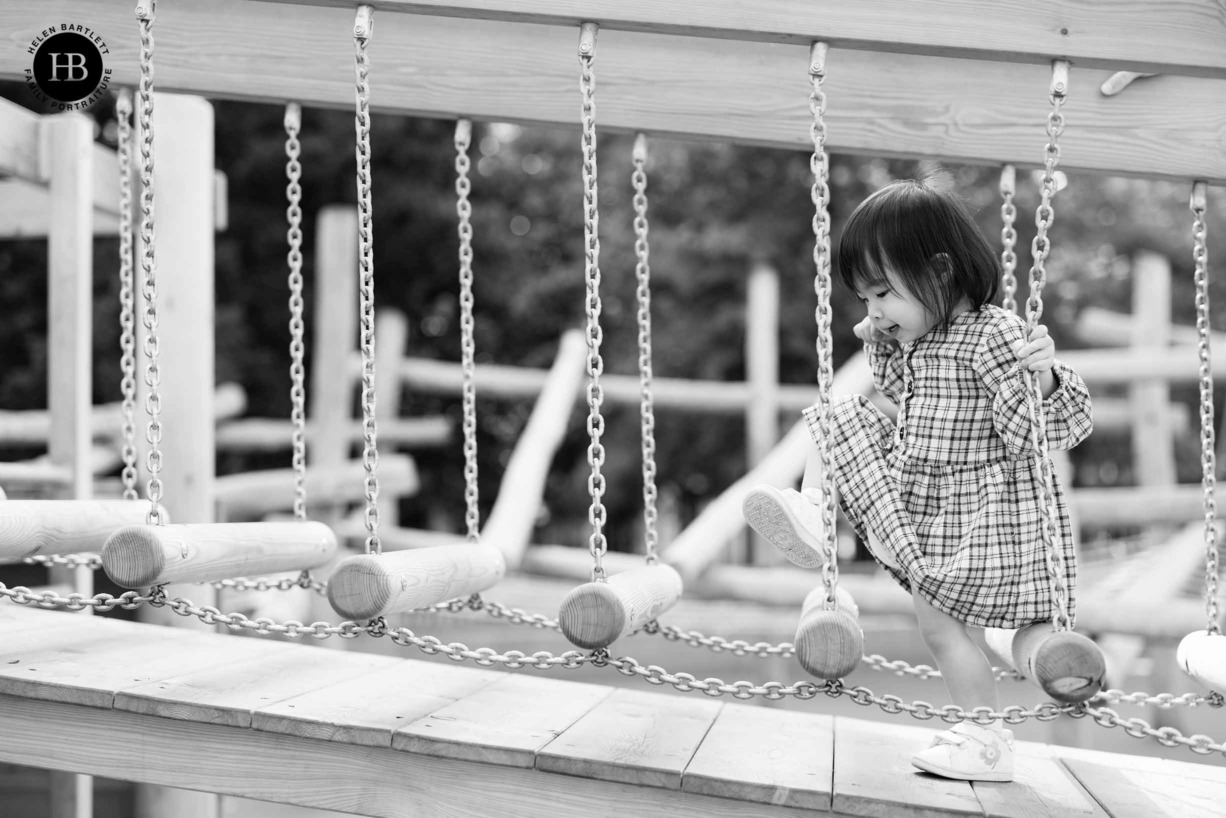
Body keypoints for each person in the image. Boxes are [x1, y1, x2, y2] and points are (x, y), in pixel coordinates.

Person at [744, 171, 1093, 783]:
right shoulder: (923, 340)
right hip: (929, 497)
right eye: (864, 300)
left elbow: (1047, 430)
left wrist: (1041, 378)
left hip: (987, 509)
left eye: (882, 294)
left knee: (977, 622)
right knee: (840, 418)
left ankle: (989, 733)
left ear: (938, 273)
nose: (873, 310)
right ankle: (814, 508)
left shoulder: (995, 335)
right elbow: (900, 395)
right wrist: (882, 342)